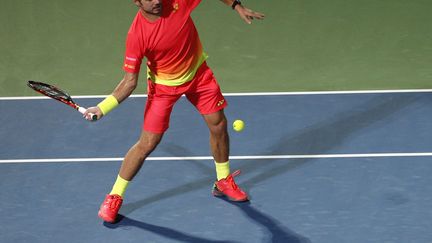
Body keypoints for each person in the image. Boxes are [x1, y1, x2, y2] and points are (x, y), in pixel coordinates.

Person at [84, 0, 264, 223]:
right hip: (163, 88)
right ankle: (114, 196)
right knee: (147, 143)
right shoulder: (137, 35)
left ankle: (223, 180)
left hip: (198, 75)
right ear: (136, 2)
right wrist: (102, 108)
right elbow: (130, 82)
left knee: (218, 123)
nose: (157, 1)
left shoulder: (176, 2)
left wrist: (236, 5)